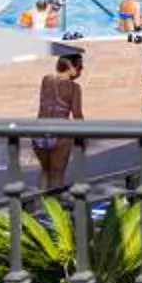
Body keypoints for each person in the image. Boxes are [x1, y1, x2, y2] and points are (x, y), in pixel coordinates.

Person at [32, 49, 85, 192]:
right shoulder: (74, 88)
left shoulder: (46, 80)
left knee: (45, 171)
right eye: (80, 67)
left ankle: (39, 207)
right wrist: (83, 136)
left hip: (39, 132)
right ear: (72, 67)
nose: (82, 70)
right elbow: (77, 114)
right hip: (59, 134)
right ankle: (53, 210)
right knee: (57, 176)